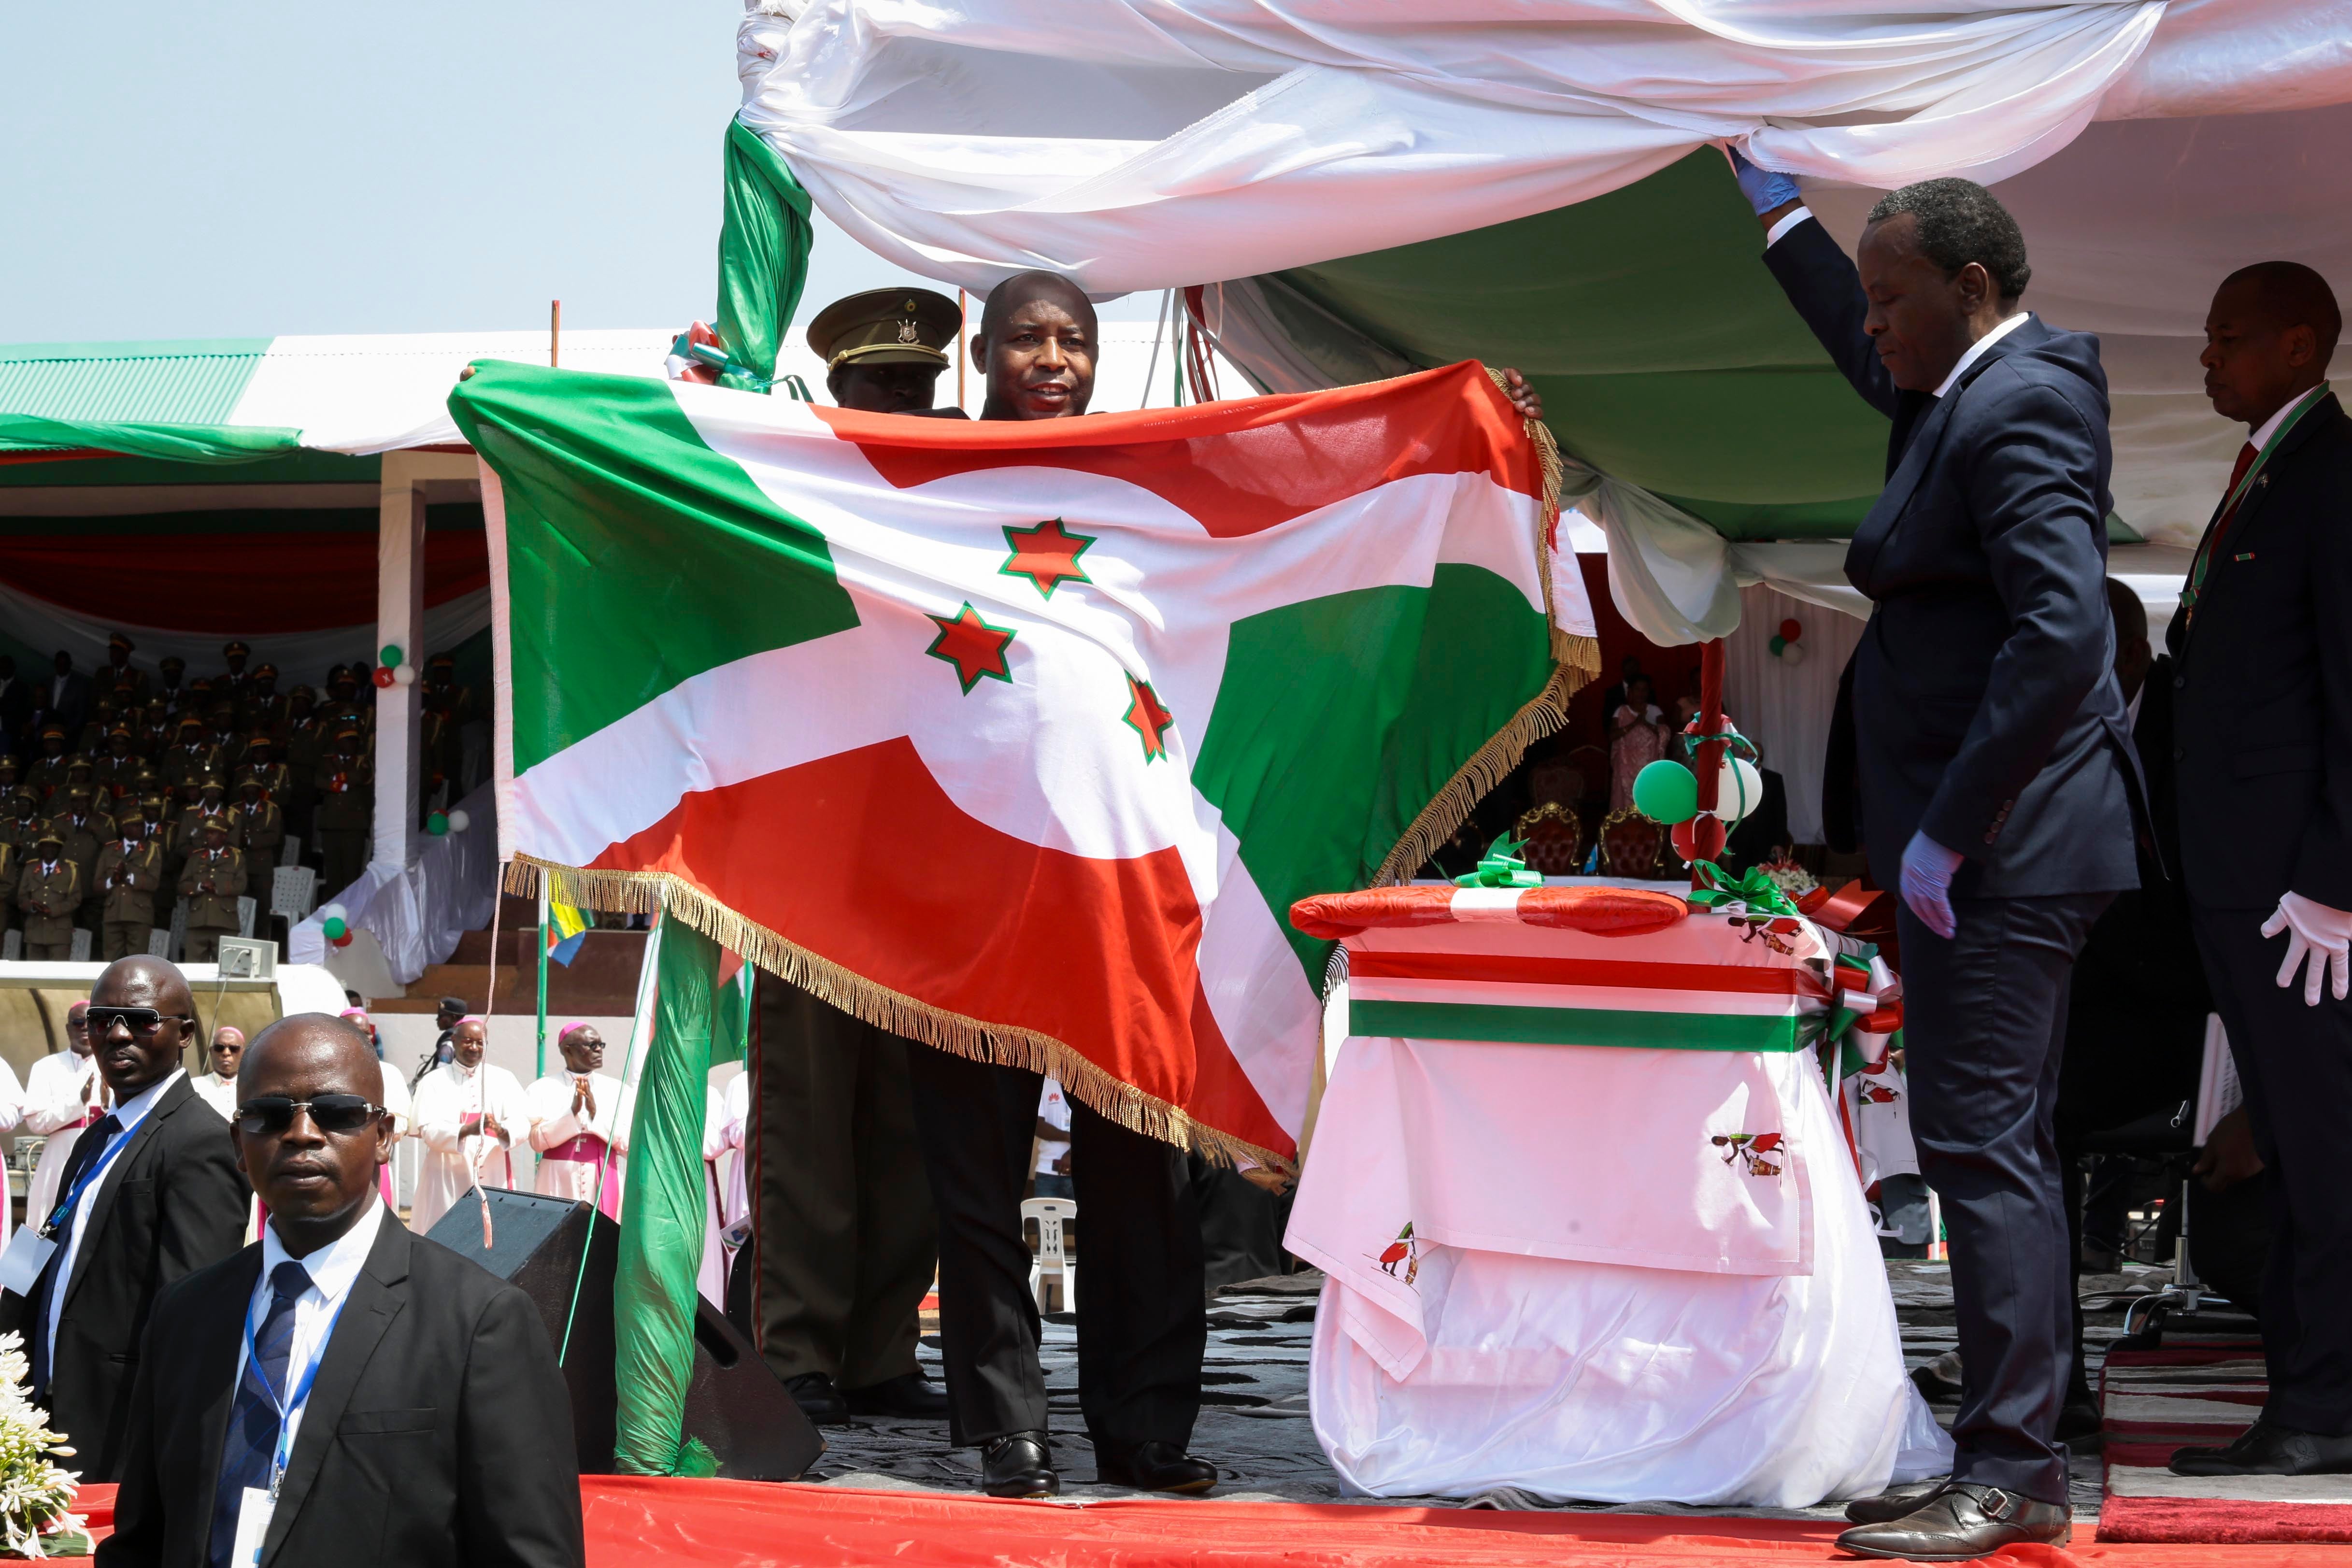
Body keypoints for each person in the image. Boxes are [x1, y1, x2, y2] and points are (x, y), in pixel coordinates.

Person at [1734, 156, 2136, 1558]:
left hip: (2005, 846)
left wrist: (1952, 828)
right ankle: (2000, 1441)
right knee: (1987, 1141)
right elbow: (1869, 351)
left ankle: (2015, 1462)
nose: (1871, 327)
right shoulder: (1956, 386)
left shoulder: (2016, 401)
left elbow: (2064, 634)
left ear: (1969, 290)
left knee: (1984, 1144)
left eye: (1887, 297)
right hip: (1985, 843)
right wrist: (1775, 214)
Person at [100, 1012, 586, 1568]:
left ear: (383, 1137)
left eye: (336, 1113)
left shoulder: (480, 1324)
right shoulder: (185, 1314)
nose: (301, 1133)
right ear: (239, 1142)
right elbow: (141, 1540)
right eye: (270, 1114)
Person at [2160, 263, 2352, 1480]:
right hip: (2248, 875)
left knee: (2320, 1149)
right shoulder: (2271, 471)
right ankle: (2308, 1388)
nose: (2205, 358)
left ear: (2297, 344)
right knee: (2289, 1140)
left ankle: (2320, 1403)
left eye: (2226, 338)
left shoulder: (2331, 475)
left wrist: (2331, 880)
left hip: (2297, 895)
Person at [2053, 580, 2211, 1436]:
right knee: (2029, 1139)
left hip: (2189, 995)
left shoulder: (2185, 729)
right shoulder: (2063, 726)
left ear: (2132, 654)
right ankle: (2053, 1374)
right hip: (2091, 989)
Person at [0, 957, 248, 1481]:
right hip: (42, 1402)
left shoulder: (200, 1142)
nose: (115, 1034)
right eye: (101, 1019)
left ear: (184, 1033)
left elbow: (194, 1308)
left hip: (118, 1422)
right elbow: (48, 1234)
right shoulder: (96, 1137)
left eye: (141, 1020)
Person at [746, 975, 943, 1425]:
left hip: (917, 909)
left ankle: (883, 1357)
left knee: (907, 1124)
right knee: (805, 1109)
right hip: (814, 909)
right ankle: (795, 1354)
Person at [409, 1015, 527, 1235]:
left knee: (496, 1234)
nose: (474, 1047)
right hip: (446, 1173)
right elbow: (428, 1131)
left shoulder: (504, 1079)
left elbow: (522, 1122)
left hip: (494, 1171)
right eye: (467, 1041)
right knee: (445, 1233)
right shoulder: (433, 1081)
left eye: (480, 1042)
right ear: (453, 1041)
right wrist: (466, 1130)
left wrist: (502, 1130)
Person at [807, 287, 970, 417]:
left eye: (921, 377)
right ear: (839, 388)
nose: (907, 390)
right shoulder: (806, 457)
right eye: (884, 374)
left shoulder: (962, 454)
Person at [525, 1024, 632, 1219]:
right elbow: (536, 1142)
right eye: (591, 1045)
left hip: (602, 1178)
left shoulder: (618, 1089)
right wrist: (572, 1114)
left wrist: (594, 1115)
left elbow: (629, 1146)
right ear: (568, 1049)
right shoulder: (541, 1089)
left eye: (601, 1045)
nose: (599, 1050)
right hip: (555, 1180)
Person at [23, 1002, 103, 1232]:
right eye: (79, 1024)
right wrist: (78, 1102)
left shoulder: (112, 1065)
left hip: (98, 1160)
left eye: (92, 1024)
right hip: (57, 1161)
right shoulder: (46, 1067)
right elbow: (35, 1122)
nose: (85, 1029)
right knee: (46, 1228)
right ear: (68, 1029)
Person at [94, 813, 165, 961]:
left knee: (137, 962)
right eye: (136, 825)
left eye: (142, 825)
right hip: (113, 913)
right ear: (125, 829)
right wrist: (112, 881)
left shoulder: (152, 850)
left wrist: (128, 877)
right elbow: (97, 885)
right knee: (110, 962)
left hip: (138, 914)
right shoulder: (110, 850)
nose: (141, 829)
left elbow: (153, 883)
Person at [178, 815, 247, 962]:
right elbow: (182, 885)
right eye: (207, 832)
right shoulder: (196, 858)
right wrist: (199, 887)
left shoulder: (236, 858)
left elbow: (241, 885)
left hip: (225, 921)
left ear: (224, 836)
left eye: (213, 833)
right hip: (198, 921)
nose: (208, 836)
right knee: (193, 970)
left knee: (227, 969)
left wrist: (217, 887)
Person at [313, 725, 372, 894]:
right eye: (347, 741)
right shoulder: (326, 761)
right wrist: (344, 786)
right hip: (331, 824)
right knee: (333, 874)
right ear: (338, 743)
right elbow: (318, 781)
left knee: (352, 873)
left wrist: (333, 782)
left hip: (354, 825)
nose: (351, 745)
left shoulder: (362, 761)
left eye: (354, 742)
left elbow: (359, 777)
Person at [1607, 673, 1669, 813]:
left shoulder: (1655, 711)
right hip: (1625, 765)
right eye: (1637, 689)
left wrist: (1646, 723)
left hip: (1649, 766)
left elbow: (1664, 733)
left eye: (1644, 690)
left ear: (1649, 692)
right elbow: (1612, 735)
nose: (1641, 693)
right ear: (1631, 691)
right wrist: (1634, 724)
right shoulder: (1621, 711)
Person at [17, 830, 81, 961]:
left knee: (59, 976)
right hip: (34, 932)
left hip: (59, 933)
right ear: (40, 848)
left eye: (55, 846)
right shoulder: (30, 868)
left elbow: (75, 899)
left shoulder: (70, 870)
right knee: (34, 976)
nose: (50, 849)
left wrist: (53, 910)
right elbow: (21, 897)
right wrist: (32, 906)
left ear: (60, 849)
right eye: (46, 845)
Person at [192, 1025, 248, 1119]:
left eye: (234, 1049)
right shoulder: (194, 1087)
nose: (226, 1053)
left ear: (244, 1053)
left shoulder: (253, 1087)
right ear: (211, 1052)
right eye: (220, 1048)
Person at [1033, 1077, 1073, 1201]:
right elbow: (1037, 1126)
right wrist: (1069, 1138)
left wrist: (1072, 1153)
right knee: (1044, 1220)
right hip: (1047, 1172)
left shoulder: (1087, 1080)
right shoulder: (1045, 1080)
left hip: (1080, 1175)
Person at [43, 651, 90, 741]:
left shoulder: (80, 684)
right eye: (59, 664)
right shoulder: (47, 682)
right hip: (48, 732)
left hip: (69, 734)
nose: (61, 667)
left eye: (64, 664)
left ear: (70, 664)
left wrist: (68, 731)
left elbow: (81, 713)